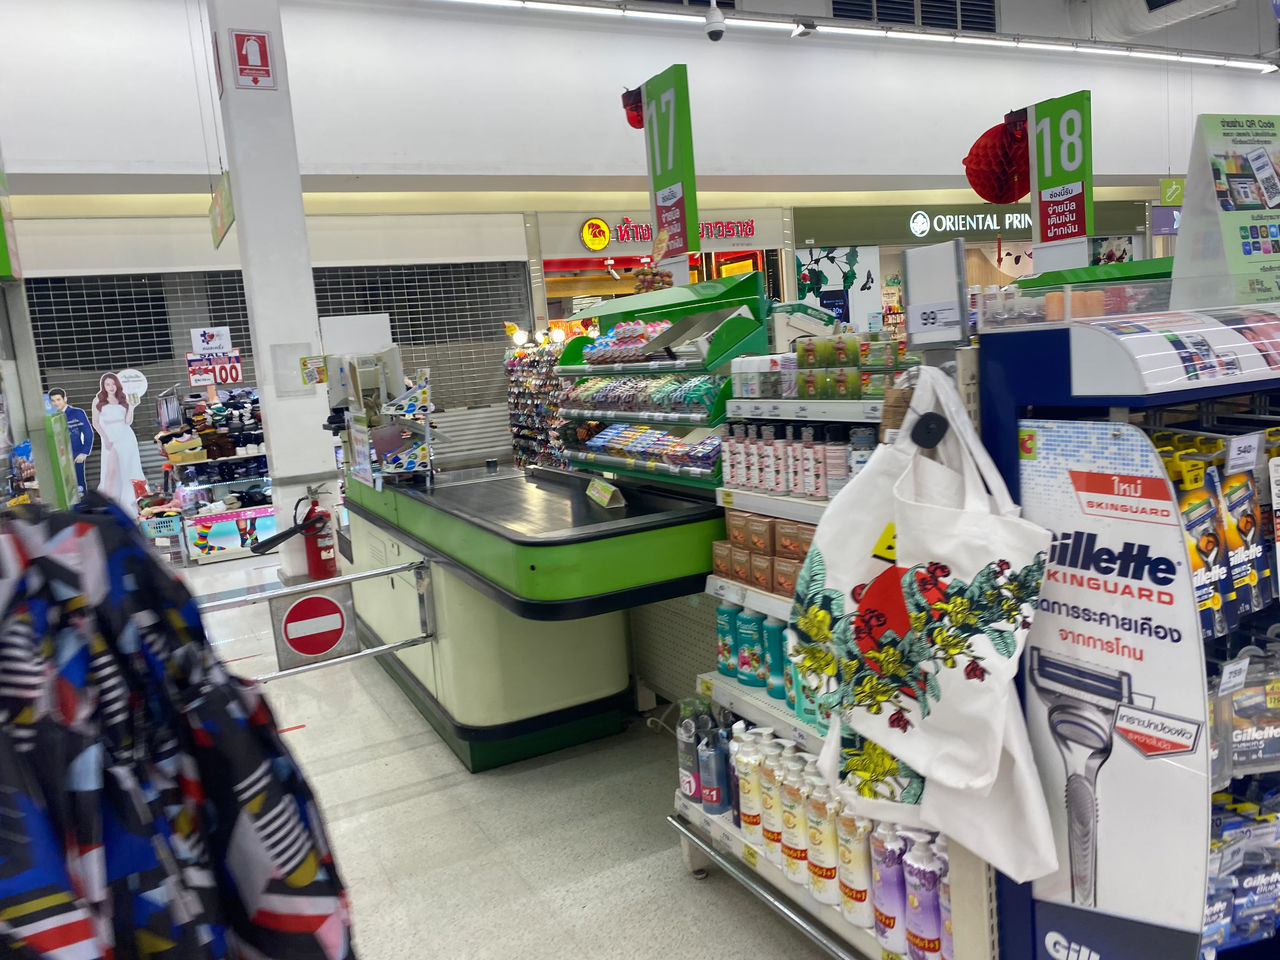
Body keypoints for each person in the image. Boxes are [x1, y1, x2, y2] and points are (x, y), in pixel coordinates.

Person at [92, 372, 145, 519]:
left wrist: (132, 408)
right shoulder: (98, 400)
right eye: (107, 384)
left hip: (126, 436)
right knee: (110, 472)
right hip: (110, 437)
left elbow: (128, 422)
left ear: (117, 384)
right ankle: (109, 505)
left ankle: (130, 505)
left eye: (113, 384)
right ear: (103, 385)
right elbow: (95, 423)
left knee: (128, 471)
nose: (110, 387)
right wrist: (106, 438)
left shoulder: (123, 399)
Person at [48, 387, 93, 492]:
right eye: (53, 400)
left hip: (75, 454)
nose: (56, 403)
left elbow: (88, 432)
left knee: (79, 485)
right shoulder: (51, 417)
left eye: (58, 399)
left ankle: (83, 506)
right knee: (64, 487)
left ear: (65, 399)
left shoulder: (76, 413)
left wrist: (84, 452)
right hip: (58, 456)